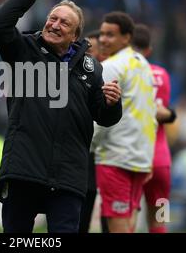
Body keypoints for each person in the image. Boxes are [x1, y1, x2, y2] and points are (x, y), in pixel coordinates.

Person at [0, 0, 122, 233]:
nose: (55, 25)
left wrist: (113, 103)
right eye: (53, 18)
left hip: (68, 176)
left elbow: (104, 116)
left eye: (64, 22)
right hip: (24, 169)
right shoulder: (23, 51)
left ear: (75, 35)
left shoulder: (91, 68)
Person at [91, 12, 157, 233]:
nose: (103, 39)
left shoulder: (111, 66)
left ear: (127, 38)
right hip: (140, 157)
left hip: (116, 157)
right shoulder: (144, 65)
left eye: (110, 35)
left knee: (117, 224)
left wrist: (88, 146)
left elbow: (101, 118)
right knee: (129, 223)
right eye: (101, 34)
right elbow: (152, 113)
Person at [132, 23, 177, 233]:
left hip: (132, 158)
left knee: (126, 220)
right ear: (149, 49)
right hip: (161, 162)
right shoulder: (162, 74)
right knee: (160, 219)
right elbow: (163, 111)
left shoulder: (125, 72)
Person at [79, 30, 110, 234]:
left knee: (110, 211)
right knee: (82, 205)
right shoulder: (78, 74)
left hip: (105, 154)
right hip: (84, 153)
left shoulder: (108, 74)